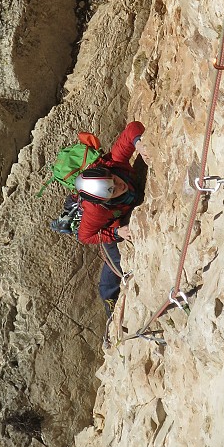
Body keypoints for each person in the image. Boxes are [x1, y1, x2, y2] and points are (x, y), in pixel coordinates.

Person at [74, 121, 150, 311]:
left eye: (114, 181)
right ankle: (108, 298)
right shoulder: (96, 212)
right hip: (109, 225)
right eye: (112, 191)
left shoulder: (114, 164)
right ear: (103, 200)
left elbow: (132, 128)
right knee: (115, 262)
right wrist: (116, 233)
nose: (119, 186)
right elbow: (85, 236)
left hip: (121, 209)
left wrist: (138, 143)